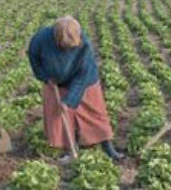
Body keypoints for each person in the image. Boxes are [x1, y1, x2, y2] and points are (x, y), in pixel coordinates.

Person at [28, 15, 123, 163]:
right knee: (59, 117)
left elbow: (82, 76)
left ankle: (108, 147)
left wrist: (69, 100)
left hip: (85, 81)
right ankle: (69, 149)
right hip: (55, 82)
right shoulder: (40, 39)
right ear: (57, 37)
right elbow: (34, 59)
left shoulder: (84, 43)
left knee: (95, 113)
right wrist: (44, 77)